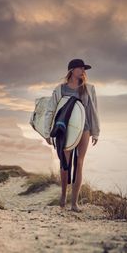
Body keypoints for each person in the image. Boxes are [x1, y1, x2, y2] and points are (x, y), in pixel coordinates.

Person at [44, 58, 100, 212]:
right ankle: (63, 196)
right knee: (65, 163)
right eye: (80, 68)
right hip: (64, 130)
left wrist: (96, 132)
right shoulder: (60, 89)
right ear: (72, 70)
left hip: (84, 129)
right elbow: (50, 110)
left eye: (84, 69)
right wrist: (47, 132)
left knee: (79, 163)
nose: (83, 71)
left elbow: (93, 111)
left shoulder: (89, 88)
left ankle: (74, 203)